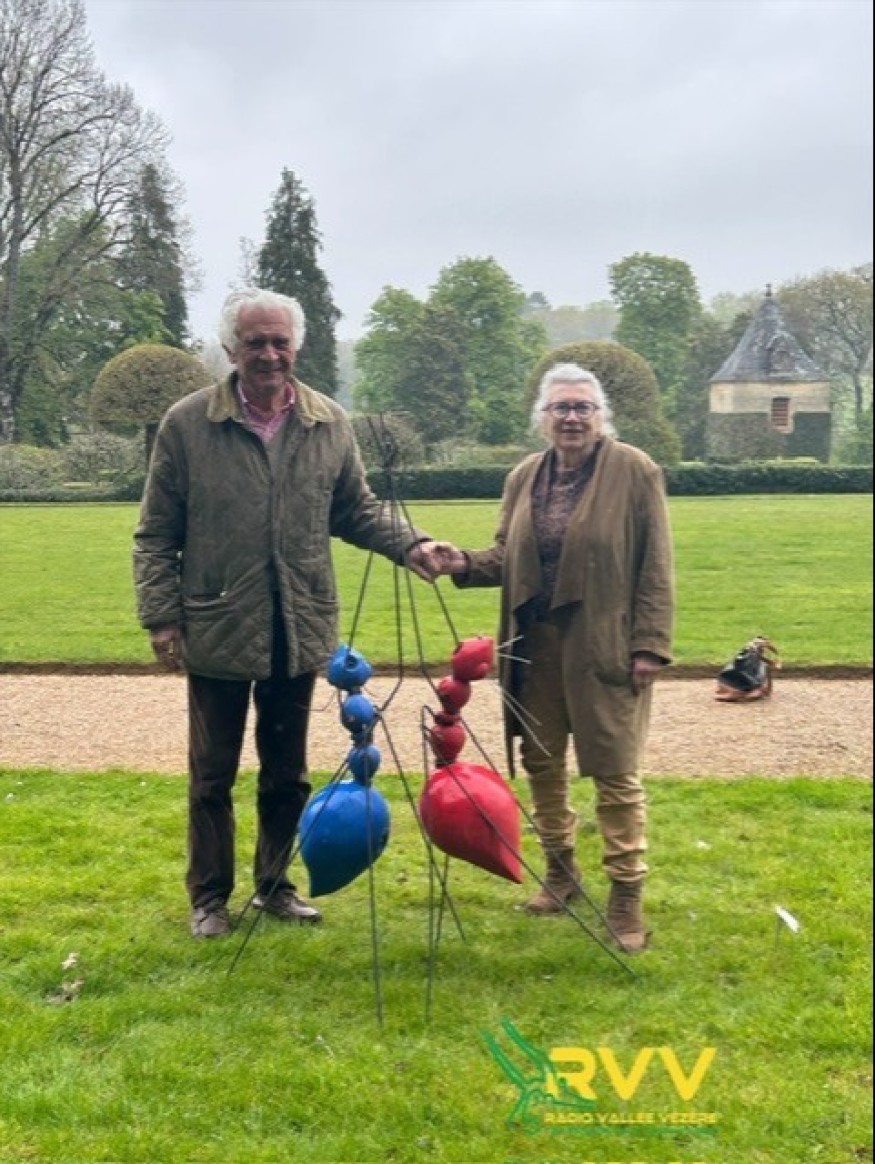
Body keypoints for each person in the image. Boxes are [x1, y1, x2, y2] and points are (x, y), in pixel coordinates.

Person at [134, 288, 447, 938]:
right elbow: (156, 533)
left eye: (280, 342)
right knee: (211, 776)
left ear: (295, 347)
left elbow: (356, 510)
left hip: (297, 623)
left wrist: (412, 544)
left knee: (287, 773)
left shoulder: (327, 421)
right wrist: (161, 617)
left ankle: (274, 886)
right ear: (232, 349)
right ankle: (209, 899)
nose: (270, 355)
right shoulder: (188, 424)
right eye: (256, 342)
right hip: (217, 621)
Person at [434, 363, 674, 953]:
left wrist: (649, 644)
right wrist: (461, 562)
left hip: (603, 643)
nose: (571, 417)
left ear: (601, 416)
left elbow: (656, 564)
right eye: (560, 407)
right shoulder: (524, 477)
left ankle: (626, 895)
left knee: (614, 770)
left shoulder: (635, 471)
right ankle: (561, 874)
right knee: (541, 762)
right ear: (543, 417)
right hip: (533, 645)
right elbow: (506, 555)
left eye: (582, 407)